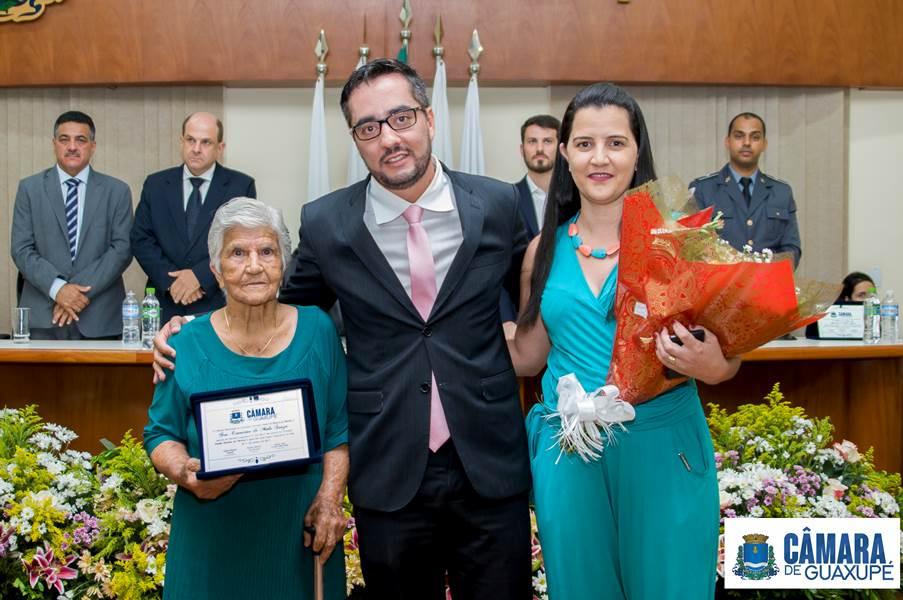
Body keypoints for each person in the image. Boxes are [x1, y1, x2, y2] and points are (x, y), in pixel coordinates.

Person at [153, 59, 532, 599]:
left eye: (401, 118)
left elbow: (543, 300)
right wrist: (193, 331)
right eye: (368, 127)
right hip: (388, 465)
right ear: (355, 140)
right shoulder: (328, 223)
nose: (389, 138)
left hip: (489, 458)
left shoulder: (496, 204)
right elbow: (277, 307)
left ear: (428, 118)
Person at [506, 83, 740, 599]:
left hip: (662, 445)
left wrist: (714, 364)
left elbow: (727, 359)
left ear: (638, 152)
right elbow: (528, 357)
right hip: (572, 451)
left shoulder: (679, 243)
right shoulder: (541, 251)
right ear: (564, 154)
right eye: (584, 144)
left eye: (615, 143)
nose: (600, 158)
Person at [144, 197, 348, 599]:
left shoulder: (318, 330)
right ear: (216, 270)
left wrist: (330, 498)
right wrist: (185, 472)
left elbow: (338, 430)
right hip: (210, 538)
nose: (254, 265)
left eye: (267, 251)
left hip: (300, 534)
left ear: (283, 263)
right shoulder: (184, 343)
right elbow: (159, 434)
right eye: (237, 253)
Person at [11, 111, 133, 340]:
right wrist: (58, 289)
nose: (72, 147)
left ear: (93, 146)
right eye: (64, 139)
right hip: (43, 318)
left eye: (81, 140)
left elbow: (122, 250)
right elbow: (21, 249)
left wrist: (74, 293)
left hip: (100, 318)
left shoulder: (117, 191)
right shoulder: (30, 189)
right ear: (54, 144)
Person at [131, 111, 257, 322]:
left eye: (206, 142)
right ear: (181, 141)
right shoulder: (156, 184)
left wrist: (199, 277)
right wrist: (173, 282)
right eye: (190, 140)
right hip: (165, 302)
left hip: (216, 302)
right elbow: (141, 239)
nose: (196, 149)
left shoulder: (240, 186)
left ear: (220, 148)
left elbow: (241, 244)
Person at [690, 112, 802, 268]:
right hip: (720, 282)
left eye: (755, 137)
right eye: (739, 136)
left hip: (767, 281)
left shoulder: (781, 192)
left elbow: (792, 249)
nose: (747, 143)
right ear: (727, 142)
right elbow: (693, 248)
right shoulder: (702, 189)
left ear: (764, 144)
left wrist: (764, 271)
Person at [501, 114, 560, 324]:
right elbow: (496, 270)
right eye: (532, 141)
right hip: (521, 318)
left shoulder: (578, 201)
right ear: (522, 149)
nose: (539, 148)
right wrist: (507, 320)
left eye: (548, 141)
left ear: (561, 149)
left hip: (568, 317)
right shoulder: (506, 200)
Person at [805, 271, 876, 338]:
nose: (869, 300)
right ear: (847, 299)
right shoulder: (823, 317)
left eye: (871, 295)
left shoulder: (875, 319)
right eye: (861, 295)